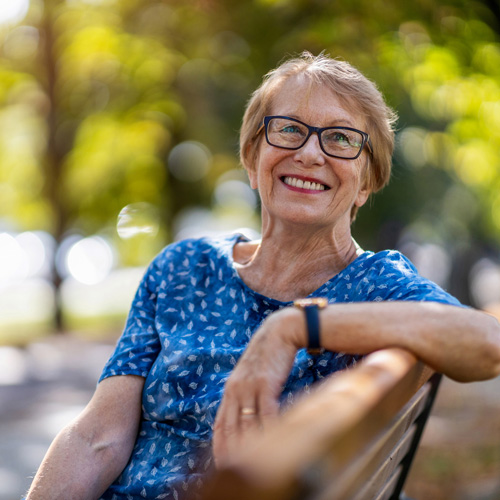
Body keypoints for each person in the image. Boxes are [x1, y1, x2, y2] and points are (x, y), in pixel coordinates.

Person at [26, 52, 500, 500]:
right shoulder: (183, 268)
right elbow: (96, 439)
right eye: (289, 129)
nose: (311, 153)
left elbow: (488, 342)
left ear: (368, 181)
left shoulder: (375, 284)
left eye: (340, 138)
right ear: (252, 161)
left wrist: (296, 327)